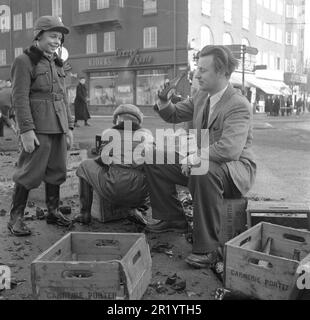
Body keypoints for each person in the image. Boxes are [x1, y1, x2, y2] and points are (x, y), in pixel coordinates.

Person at [144, 45, 256, 269]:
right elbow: (174, 114)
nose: (196, 74)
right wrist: (163, 100)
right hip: (202, 166)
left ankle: (208, 248)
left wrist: (194, 157)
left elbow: (229, 150)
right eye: (197, 68)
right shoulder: (202, 96)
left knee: (202, 168)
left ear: (222, 71)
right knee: (153, 156)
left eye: (203, 70)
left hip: (233, 171)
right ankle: (172, 218)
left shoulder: (238, 105)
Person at [8, 16, 75, 237]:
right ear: (38, 36)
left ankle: (53, 211)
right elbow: (19, 98)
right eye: (52, 36)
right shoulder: (24, 61)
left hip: (58, 126)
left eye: (59, 37)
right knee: (29, 172)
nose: (57, 41)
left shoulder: (57, 63)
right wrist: (26, 131)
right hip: (37, 129)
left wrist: (70, 128)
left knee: (57, 171)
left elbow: (63, 97)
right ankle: (16, 218)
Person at [74, 104, 152, 225]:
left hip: (115, 189)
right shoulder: (148, 135)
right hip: (142, 195)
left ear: (117, 119)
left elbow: (103, 161)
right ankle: (134, 210)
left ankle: (85, 214)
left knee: (84, 166)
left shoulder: (110, 133)